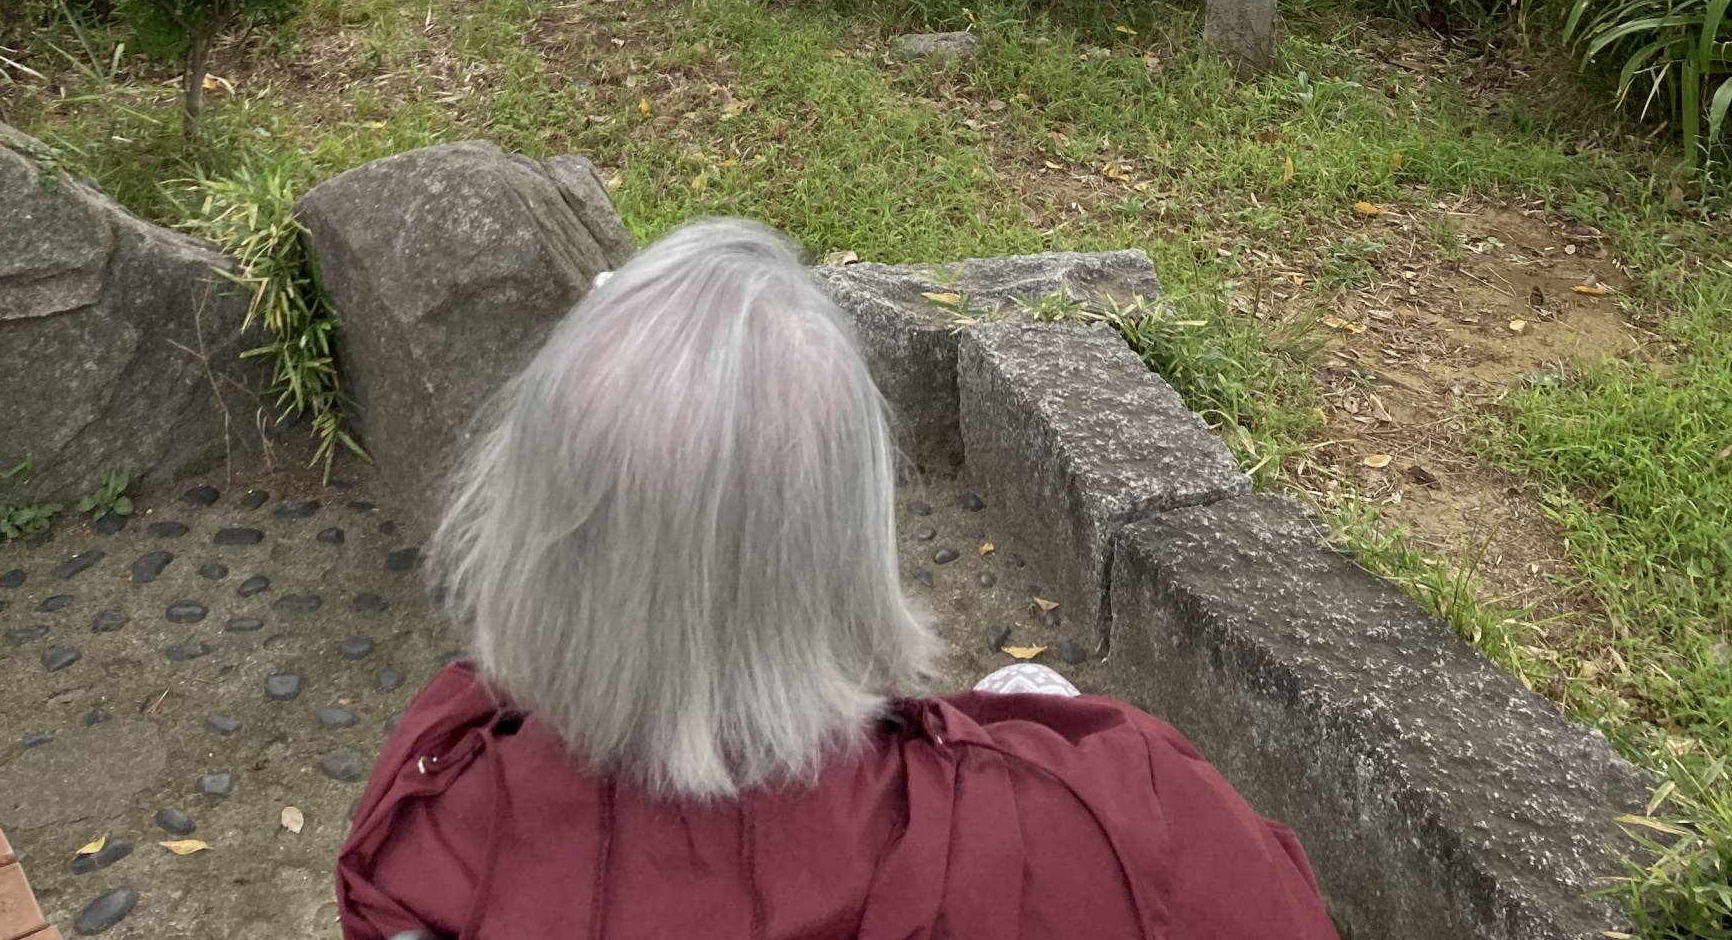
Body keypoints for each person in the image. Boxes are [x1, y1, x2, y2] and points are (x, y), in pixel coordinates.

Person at [336, 218, 1338, 940]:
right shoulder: (1127, 812)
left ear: (526, 522)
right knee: (1031, 691)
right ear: (849, 538)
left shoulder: (431, 831)